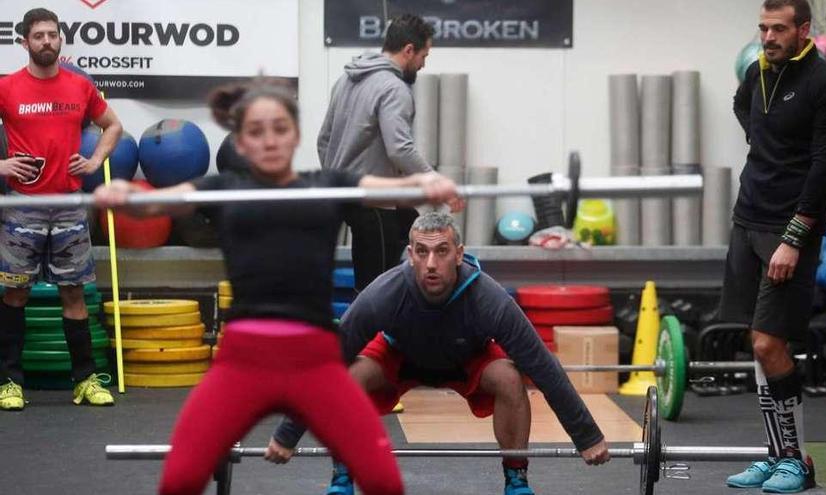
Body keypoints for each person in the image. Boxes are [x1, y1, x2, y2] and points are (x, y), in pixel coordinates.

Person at [93, 79, 461, 495]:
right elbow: (162, 201)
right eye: (256, 131)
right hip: (241, 363)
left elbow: (388, 188)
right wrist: (124, 192)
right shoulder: (224, 189)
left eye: (280, 128)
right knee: (178, 481)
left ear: (296, 135)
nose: (269, 140)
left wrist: (428, 184)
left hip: (317, 365)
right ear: (242, 142)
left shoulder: (326, 185)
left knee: (382, 482)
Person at [266, 212, 611, 495]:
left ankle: (516, 479)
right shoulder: (385, 293)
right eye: (421, 251)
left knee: (509, 376)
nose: (431, 263)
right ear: (410, 253)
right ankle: (343, 473)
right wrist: (287, 435)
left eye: (442, 251)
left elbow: (541, 364)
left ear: (459, 254)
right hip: (400, 353)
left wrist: (587, 436)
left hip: (466, 357)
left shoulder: (488, 299)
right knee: (350, 375)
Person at [723, 0, 826, 492]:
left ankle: (797, 459)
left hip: (787, 229)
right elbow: (740, 106)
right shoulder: (756, 73)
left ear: (803, 30)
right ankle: (774, 456)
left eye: (778, 28)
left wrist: (794, 238)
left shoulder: (825, 83)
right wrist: (764, 147)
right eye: (763, 27)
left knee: (771, 343)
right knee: (756, 342)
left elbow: (824, 164)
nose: (768, 37)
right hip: (747, 219)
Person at [0, 7, 122, 410]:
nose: (47, 41)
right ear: (24, 43)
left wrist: (93, 162)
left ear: (60, 39)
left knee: (74, 292)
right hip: (23, 206)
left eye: (52, 35)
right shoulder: (7, 87)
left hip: (68, 204)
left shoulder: (78, 87)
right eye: (38, 36)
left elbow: (113, 126)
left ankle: (85, 381)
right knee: (15, 293)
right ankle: (9, 383)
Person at [319, 13, 446, 292]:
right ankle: (374, 331)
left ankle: (404, 313)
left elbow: (324, 140)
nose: (423, 64)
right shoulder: (394, 88)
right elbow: (400, 148)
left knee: (414, 226)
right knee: (375, 290)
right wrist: (434, 179)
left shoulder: (344, 80)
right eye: (424, 56)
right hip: (372, 201)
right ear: (408, 50)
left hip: (346, 193)